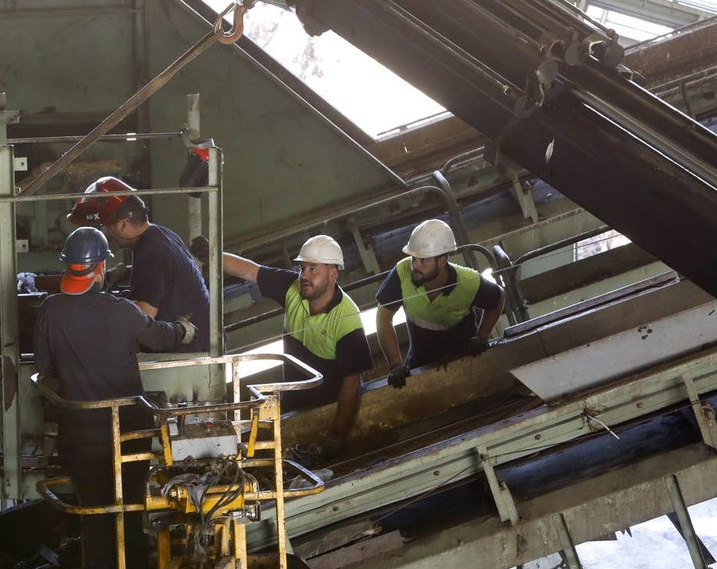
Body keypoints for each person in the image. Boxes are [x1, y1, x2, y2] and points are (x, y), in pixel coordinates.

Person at [34, 226, 197, 569]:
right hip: (128, 434)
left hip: (81, 435)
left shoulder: (50, 310)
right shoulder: (121, 311)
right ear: (100, 268)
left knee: (94, 514)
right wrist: (184, 329)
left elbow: (45, 369)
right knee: (130, 509)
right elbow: (161, 336)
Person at [193, 234, 373, 449]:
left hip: (330, 405)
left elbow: (352, 384)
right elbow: (251, 271)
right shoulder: (292, 288)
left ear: (332, 274)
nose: (304, 275)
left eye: (313, 269)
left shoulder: (348, 320)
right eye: (302, 268)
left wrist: (337, 435)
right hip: (295, 400)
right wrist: (214, 254)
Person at [67, 176, 209, 352]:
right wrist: (126, 272)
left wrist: (104, 308)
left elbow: (143, 318)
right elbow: (163, 272)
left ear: (123, 224)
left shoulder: (149, 252)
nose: (107, 232)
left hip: (191, 350)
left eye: (106, 226)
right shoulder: (159, 233)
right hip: (202, 338)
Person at [375, 219, 506, 389]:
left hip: (466, 359)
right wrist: (395, 364)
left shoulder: (468, 281)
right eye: (414, 258)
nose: (415, 265)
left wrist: (482, 336)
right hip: (420, 362)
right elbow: (383, 317)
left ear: (442, 260)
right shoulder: (402, 272)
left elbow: (499, 296)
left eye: (424, 260)